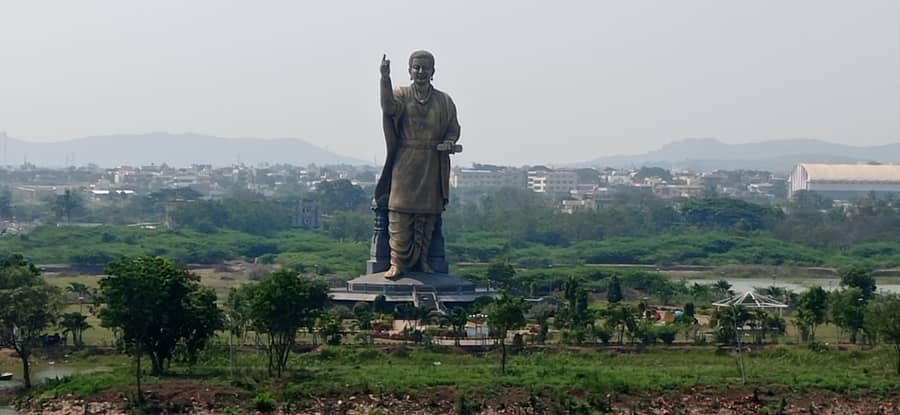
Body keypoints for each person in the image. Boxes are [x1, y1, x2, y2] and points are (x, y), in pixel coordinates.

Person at [376, 50, 460, 278]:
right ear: (410, 70)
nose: (421, 72)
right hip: (406, 159)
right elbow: (388, 108)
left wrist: (449, 142)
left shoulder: (444, 101)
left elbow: (453, 129)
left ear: (433, 71)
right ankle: (397, 262)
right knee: (399, 210)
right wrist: (385, 78)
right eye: (417, 67)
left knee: (427, 215)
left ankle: (423, 260)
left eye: (426, 68)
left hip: (432, 161)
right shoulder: (401, 94)